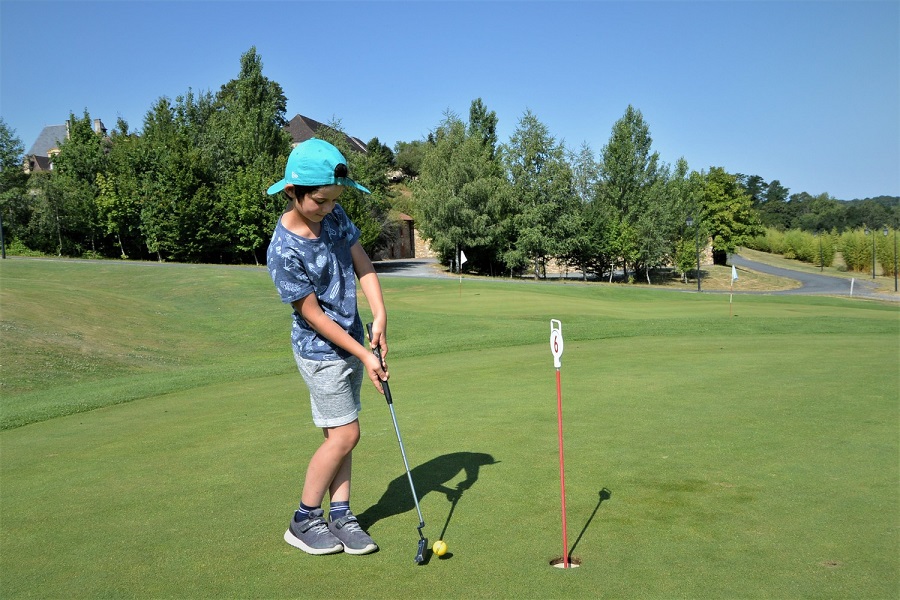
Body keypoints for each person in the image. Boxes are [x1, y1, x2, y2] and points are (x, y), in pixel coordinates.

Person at [266, 138, 389, 556]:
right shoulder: (283, 251)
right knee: (346, 434)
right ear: (292, 193)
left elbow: (363, 264)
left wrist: (380, 316)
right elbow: (313, 315)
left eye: (336, 201)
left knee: (344, 433)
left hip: (352, 342)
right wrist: (363, 353)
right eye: (321, 201)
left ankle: (341, 514)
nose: (329, 209)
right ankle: (303, 519)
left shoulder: (334, 218)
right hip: (321, 352)